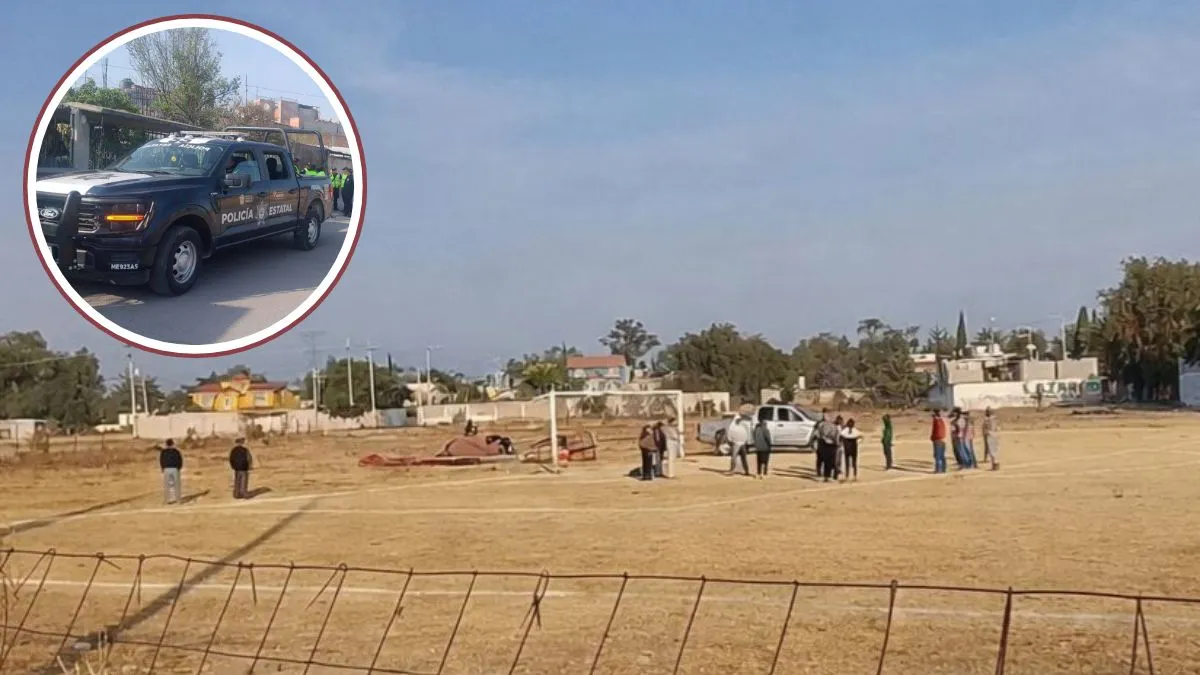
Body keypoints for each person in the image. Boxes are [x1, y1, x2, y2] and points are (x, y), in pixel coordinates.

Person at [813, 410, 840, 482]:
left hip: (827, 445)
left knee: (828, 461)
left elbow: (818, 435)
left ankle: (827, 476)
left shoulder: (824, 425)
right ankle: (827, 476)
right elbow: (818, 435)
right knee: (828, 461)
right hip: (829, 445)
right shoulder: (826, 425)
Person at [725, 412, 752, 476]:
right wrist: (731, 441)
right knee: (737, 457)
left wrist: (746, 441)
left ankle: (745, 471)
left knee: (740, 457)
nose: (739, 421)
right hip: (737, 443)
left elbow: (746, 433)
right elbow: (729, 435)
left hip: (741, 443)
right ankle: (733, 471)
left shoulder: (741, 426)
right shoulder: (734, 426)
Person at [159, 439, 183, 504]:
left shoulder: (163, 452)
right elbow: (180, 460)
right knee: (177, 485)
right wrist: (179, 468)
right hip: (175, 469)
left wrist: (162, 468)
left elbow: (161, 460)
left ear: (166, 444)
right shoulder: (176, 451)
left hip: (166, 469)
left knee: (167, 485)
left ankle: (166, 500)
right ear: (172, 444)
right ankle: (178, 500)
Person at [930, 409, 948, 474]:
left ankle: (938, 469)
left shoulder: (937, 421)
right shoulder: (943, 420)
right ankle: (943, 468)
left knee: (937, 455)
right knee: (942, 455)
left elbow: (936, 431)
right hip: (943, 439)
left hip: (938, 439)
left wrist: (933, 437)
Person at [832, 415, 846, 481]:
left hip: (841, 445)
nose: (840, 422)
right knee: (836, 460)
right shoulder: (834, 427)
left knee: (840, 459)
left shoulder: (843, 427)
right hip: (836, 445)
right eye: (839, 421)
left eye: (841, 421)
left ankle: (838, 470)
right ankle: (835, 474)